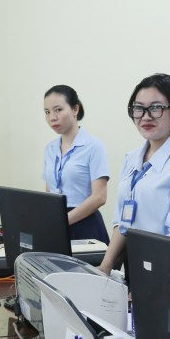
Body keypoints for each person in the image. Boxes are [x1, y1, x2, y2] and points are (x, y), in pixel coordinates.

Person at [98, 73, 170, 275]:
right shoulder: (132, 158)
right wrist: (105, 267)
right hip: (136, 265)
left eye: (156, 108)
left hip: (169, 273)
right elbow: (123, 222)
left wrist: (152, 284)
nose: (145, 116)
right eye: (138, 108)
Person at [42, 85, 110, 243]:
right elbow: (49, 190)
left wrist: (63, 221)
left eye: (58, 110)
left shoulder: (93, 146)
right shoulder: (49, 149)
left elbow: (99, 197)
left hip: (85, 225)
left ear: (75, 109)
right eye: (47, 112)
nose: (52, 117)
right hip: (57, 224)